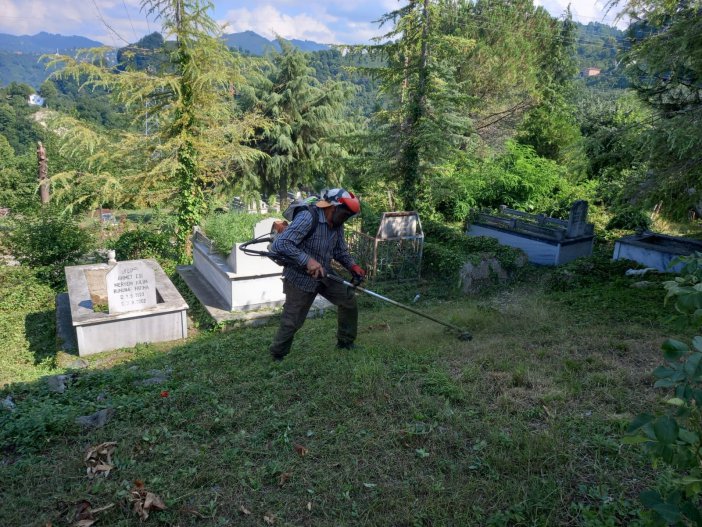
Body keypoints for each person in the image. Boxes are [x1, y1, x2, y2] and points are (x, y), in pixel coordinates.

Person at [269, 188, 366, 361]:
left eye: (348, 216)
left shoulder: (337, 224)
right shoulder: (308, 217)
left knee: (348, 300)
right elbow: (280, 245)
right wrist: (307, 261)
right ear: (332, 206)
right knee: (293, 320)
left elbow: (339, 250)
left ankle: (345, 342)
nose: (345, 219)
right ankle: (278, 353)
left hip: (324, 273)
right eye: (345, 214)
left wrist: (353, 266)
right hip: (300, 276)